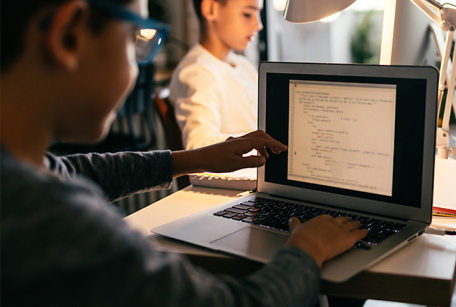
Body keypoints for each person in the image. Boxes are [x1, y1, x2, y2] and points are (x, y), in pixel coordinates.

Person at [0, 0, 368, 306]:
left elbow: (76, 171)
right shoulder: (57, 224)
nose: (137, 62)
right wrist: (306, 249)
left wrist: (194, 158)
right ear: (68, 36)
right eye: (135, 38)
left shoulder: (22, 178)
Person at [169, 0, 261, 150]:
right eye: (247, 14)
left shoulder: (244, 65)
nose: (258, 25)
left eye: (258, 13)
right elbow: (199, 145)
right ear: (211, 9)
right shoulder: (198, 73)